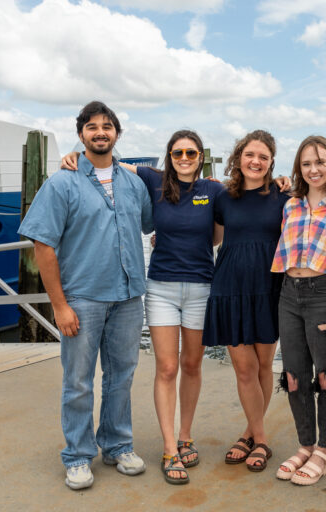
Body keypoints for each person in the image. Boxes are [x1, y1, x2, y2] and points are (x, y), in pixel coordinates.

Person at [60, 131, 290, 484]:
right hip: (163, 287)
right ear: (169, 155)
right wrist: (78, 159)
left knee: (195, 364)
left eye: (192, 152)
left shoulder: (215, 190)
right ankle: (171, 448)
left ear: (201, 156)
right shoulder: (156, 180)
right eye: (178, 151)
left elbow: (222, 227)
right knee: (167, 367)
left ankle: (191, 436)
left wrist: (280, 181)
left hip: (204, 286)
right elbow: (112, 162)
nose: (185, 157)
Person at [18, 101, 154, 491]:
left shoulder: (133, 182)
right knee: (78, 380)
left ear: (117, 134)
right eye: (92, 127)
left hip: (129, 296)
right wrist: (59, 305)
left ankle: (117, 444)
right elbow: (42, 245)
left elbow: (150, 222)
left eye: (107, 126)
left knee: (122, 375)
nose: (100, 132)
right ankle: (78, 455)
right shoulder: (62, 181)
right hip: (83, 299)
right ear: (81, 135)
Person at [202, 130, 290, 472]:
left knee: (264, 367)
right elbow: (212, 238)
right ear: (239, 158)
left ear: (271, 163)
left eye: (264, 157)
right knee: (244, 368)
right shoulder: (222, 198)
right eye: (250, 154)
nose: (256, 161)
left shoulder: (284, 197)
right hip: (230, 286)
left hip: (268, 287)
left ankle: (251, 434)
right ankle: (262, 437)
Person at [271, 136, 326, 485]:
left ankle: (324, 450)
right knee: (293, 375)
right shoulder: (290, 204)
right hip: (289, 293)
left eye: (320, 162)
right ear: (298, 168)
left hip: (325, 292)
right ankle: (305, 444)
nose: (314, 169)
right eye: (307, 163)